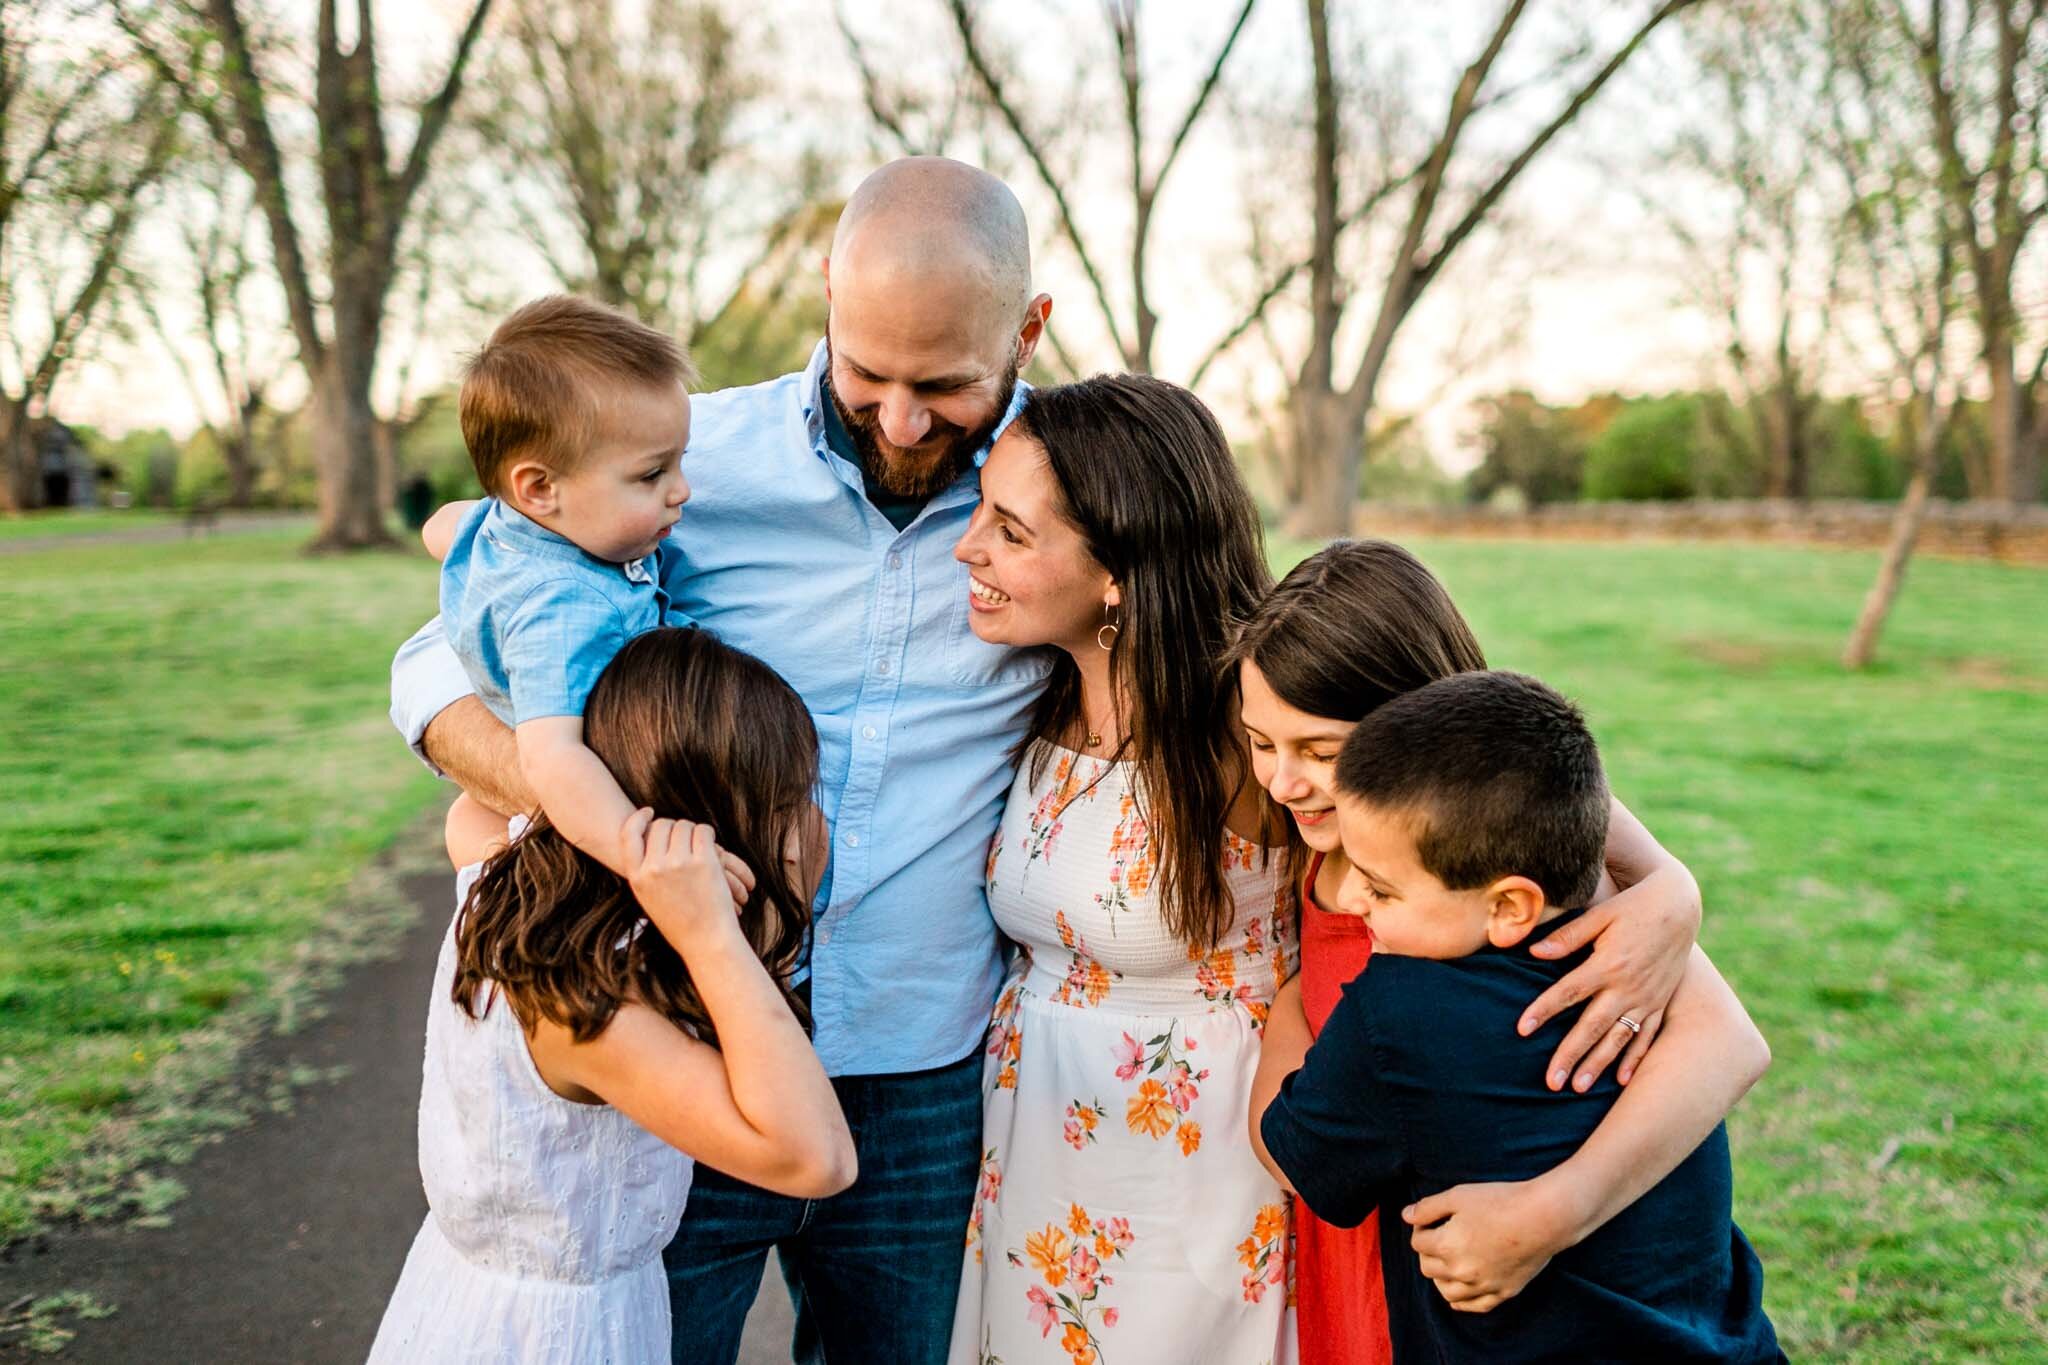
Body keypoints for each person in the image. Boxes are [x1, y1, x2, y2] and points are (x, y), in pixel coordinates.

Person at [389, 157, 1055, 1364]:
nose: (901, 421)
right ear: (826, 297)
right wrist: (585, 816)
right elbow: (437, 667)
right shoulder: (678, 464)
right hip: (677, 1038)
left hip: (922, 1068)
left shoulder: (1056, 502)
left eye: (945, 384)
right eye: (868, 373)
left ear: (1028, 329)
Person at [1231, 540, 1772, 1361]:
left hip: (1493, 1254)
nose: (1280, 780)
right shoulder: (1319, 824)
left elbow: (1725, 1039)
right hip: (1364, 1208)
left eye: (1319, 752)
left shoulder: (1500, 830)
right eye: (1260, 742)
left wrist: (1672, 890)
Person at [369, 628, 855, 1364]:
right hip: (555, 1340)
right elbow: (816, 1156)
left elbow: (468, 812)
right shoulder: (591, 1002)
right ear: (711, 830)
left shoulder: (516, 882)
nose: (808, 825)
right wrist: (712, 934)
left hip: (463, 1301)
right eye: (785, 799)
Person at [945, 374, 1295, 1362]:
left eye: (1011, 532)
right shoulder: (1038, 696)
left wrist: (1661, 894)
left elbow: (1503, 798)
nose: (968, 548)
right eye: (981, 511)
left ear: (1119, 568)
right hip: (1037, 1154)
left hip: (1195, 1179)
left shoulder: (1257, 717)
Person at [422, 294, 695, 876]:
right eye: (652, 475)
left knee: (470, 823)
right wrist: (637, 853)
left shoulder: (502, 526)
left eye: (679, 463)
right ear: (540, 489)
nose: (682, 491)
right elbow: (554, 759)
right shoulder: (566, 608)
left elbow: (439, 525)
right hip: (604, 798)